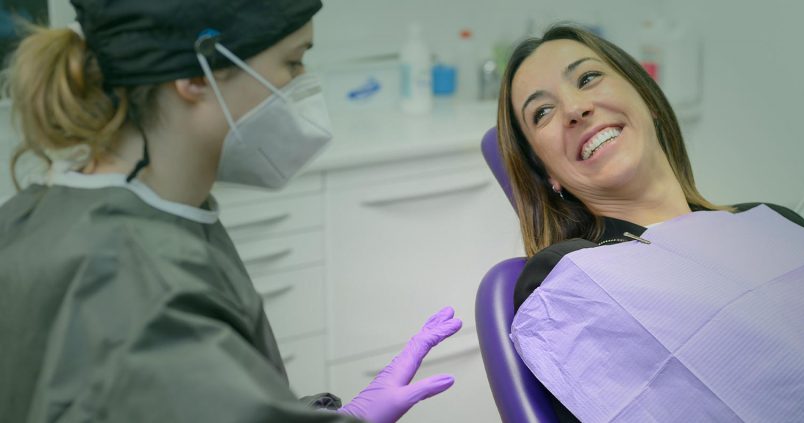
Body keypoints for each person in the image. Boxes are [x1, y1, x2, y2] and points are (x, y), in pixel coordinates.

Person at [496, 25, 804, 423]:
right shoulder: (572, 277)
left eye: (587, 79)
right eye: (542, 113)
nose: (576, 108)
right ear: (546, 174)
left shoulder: (776, 222)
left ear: (645, 96)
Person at [0, 1, 461, 422]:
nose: (305, 85)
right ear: (197, 76)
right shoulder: (143, 287)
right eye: (293, 62)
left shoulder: (63, 215)